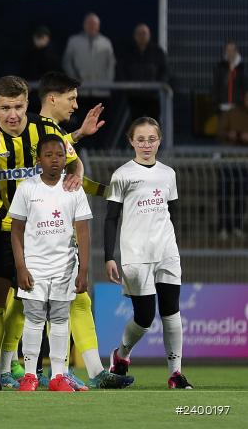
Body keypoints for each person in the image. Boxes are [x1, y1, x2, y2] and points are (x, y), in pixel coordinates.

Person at [0, 75, 83, 391]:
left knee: (30, 301)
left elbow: (75, 163)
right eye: (5, 108)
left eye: (18, 106)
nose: (12, 114)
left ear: (27, 104)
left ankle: (16, 368)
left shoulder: (46, 129)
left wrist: (75, 178)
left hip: (41, 232)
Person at [35, 72, 133, 389]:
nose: (76, 105)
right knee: (29, 306)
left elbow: (76, 181)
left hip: (56, 231)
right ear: (52, 98)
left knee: (76, 301)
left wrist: (77, 137)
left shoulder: (51, 133)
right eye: (71, 98)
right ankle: (15, 371)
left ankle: (92, 371)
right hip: (39, 233)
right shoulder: (36, 131)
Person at [105, 117, 192, 389]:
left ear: (159, 141)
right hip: (136, 254)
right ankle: (121, 355)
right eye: (140, 139)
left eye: (151, 139)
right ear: (131, 141)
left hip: (166, 251)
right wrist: (109, 256)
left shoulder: (168, 174)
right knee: (144, 318)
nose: (146, 144)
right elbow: (111, 218)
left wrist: (173, 246)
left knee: (171, 311)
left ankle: (175, 374)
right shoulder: (121, 175)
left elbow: (173, 212)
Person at [9, 135, 92, 392]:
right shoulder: (27, 188)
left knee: (60, 319)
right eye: (48, 155)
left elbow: (83, 232)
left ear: (66, 159)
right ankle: (30, 376)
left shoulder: (74, 189)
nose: (55, 160)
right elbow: (16, 230)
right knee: (34, 319)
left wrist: (83, 270)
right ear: (38, 160)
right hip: (34, 268)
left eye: (59, 155)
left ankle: (58, 376)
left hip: (65, 267)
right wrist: (21, 267)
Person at [62, 13, 115, 140]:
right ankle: (82, 149)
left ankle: (100, 150)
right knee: (81, 123)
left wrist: (107, 82)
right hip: (81, 92)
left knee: (101, 124)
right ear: (84, 25)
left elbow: (111, 64)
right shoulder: (74, 41)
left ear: (98, 26)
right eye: (89, 23)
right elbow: (67, 62)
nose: (91, 26)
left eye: (94, 24)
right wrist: (74, 81)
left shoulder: (106, 42)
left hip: (101, 92)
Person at [117, 24, 169, 122]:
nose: (142, 36)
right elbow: (121, 70)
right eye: (139, 34)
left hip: (153, 97)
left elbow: (164, 71)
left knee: (153, 124)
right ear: (135, 36)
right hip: (134, 97)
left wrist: (158, 86)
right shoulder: (128, 52)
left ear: (149, 35)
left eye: (144, 33)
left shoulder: (158, 51)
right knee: (136, 124)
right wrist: (128, 88)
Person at [213, 41, 246, 117]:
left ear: (236, 52)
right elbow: (215, 88)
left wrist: (243, 107)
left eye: (232, 50)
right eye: (228, 50)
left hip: (237, 108)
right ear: (225, 52)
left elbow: (245, 89)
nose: (230, 53)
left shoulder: (241, 69)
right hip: (222, 107)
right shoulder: (220, 68)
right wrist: (216, 107)